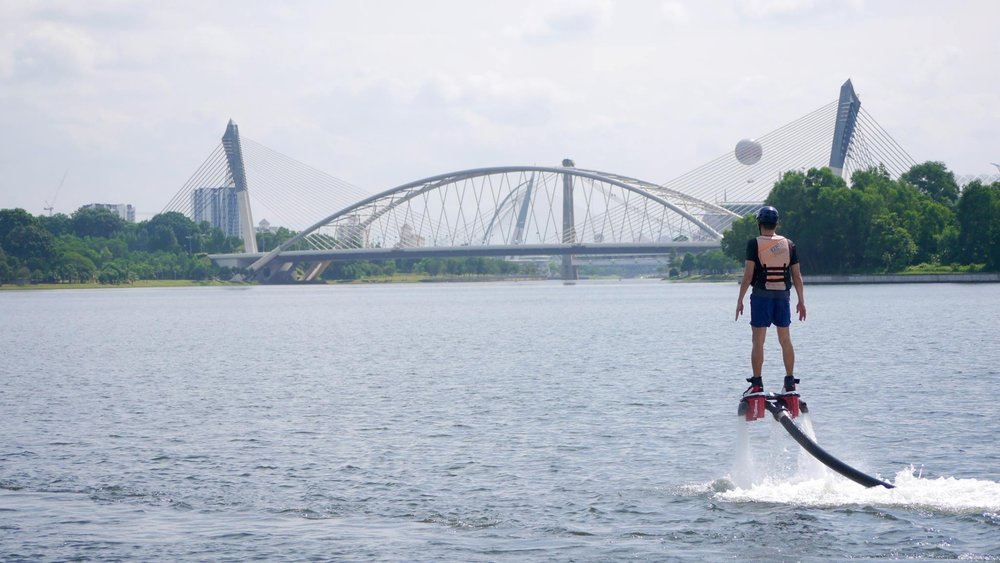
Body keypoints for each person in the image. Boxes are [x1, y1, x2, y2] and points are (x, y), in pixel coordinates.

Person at [735, 206, 806, 420]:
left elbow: (748, 275)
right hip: (783, 297)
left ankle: (757, 384)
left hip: (761, 297)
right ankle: (790, 381)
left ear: (760, 223)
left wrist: (739, 300)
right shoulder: (789, 245)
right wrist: (802, 301)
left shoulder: (754, 244)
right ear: (777, 224)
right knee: (785, 339)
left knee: (758, 341)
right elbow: (797, 276)